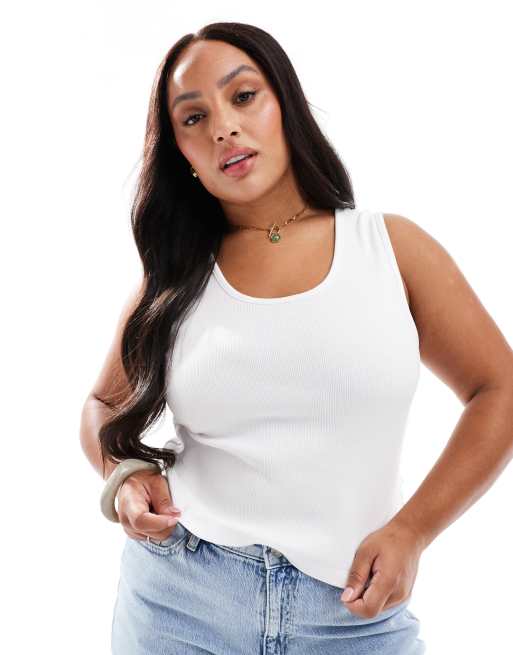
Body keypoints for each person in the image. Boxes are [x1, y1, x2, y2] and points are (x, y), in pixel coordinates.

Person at [80, 21, 513, 655]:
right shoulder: (175, 275)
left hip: (351, 610)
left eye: (243, 96)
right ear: (183, 156)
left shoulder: (390, 250)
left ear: (286, 103)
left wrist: (413, 531)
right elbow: (102, 404)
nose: (223, 127)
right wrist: (124, 474)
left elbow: (499, 388)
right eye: (194, 118)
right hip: (179, 601)